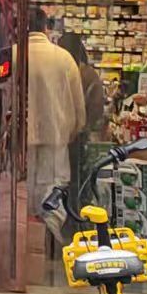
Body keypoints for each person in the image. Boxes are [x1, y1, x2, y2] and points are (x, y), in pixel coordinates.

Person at [27, 13, 87, 221]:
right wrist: (73, 131)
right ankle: (48, 239)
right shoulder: (63, 58)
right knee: (51, 198)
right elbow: (79, 107)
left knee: (22, 195)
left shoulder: (12, 56)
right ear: (46, 27)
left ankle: (28, 236)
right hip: (55, 138)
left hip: (20, 143)